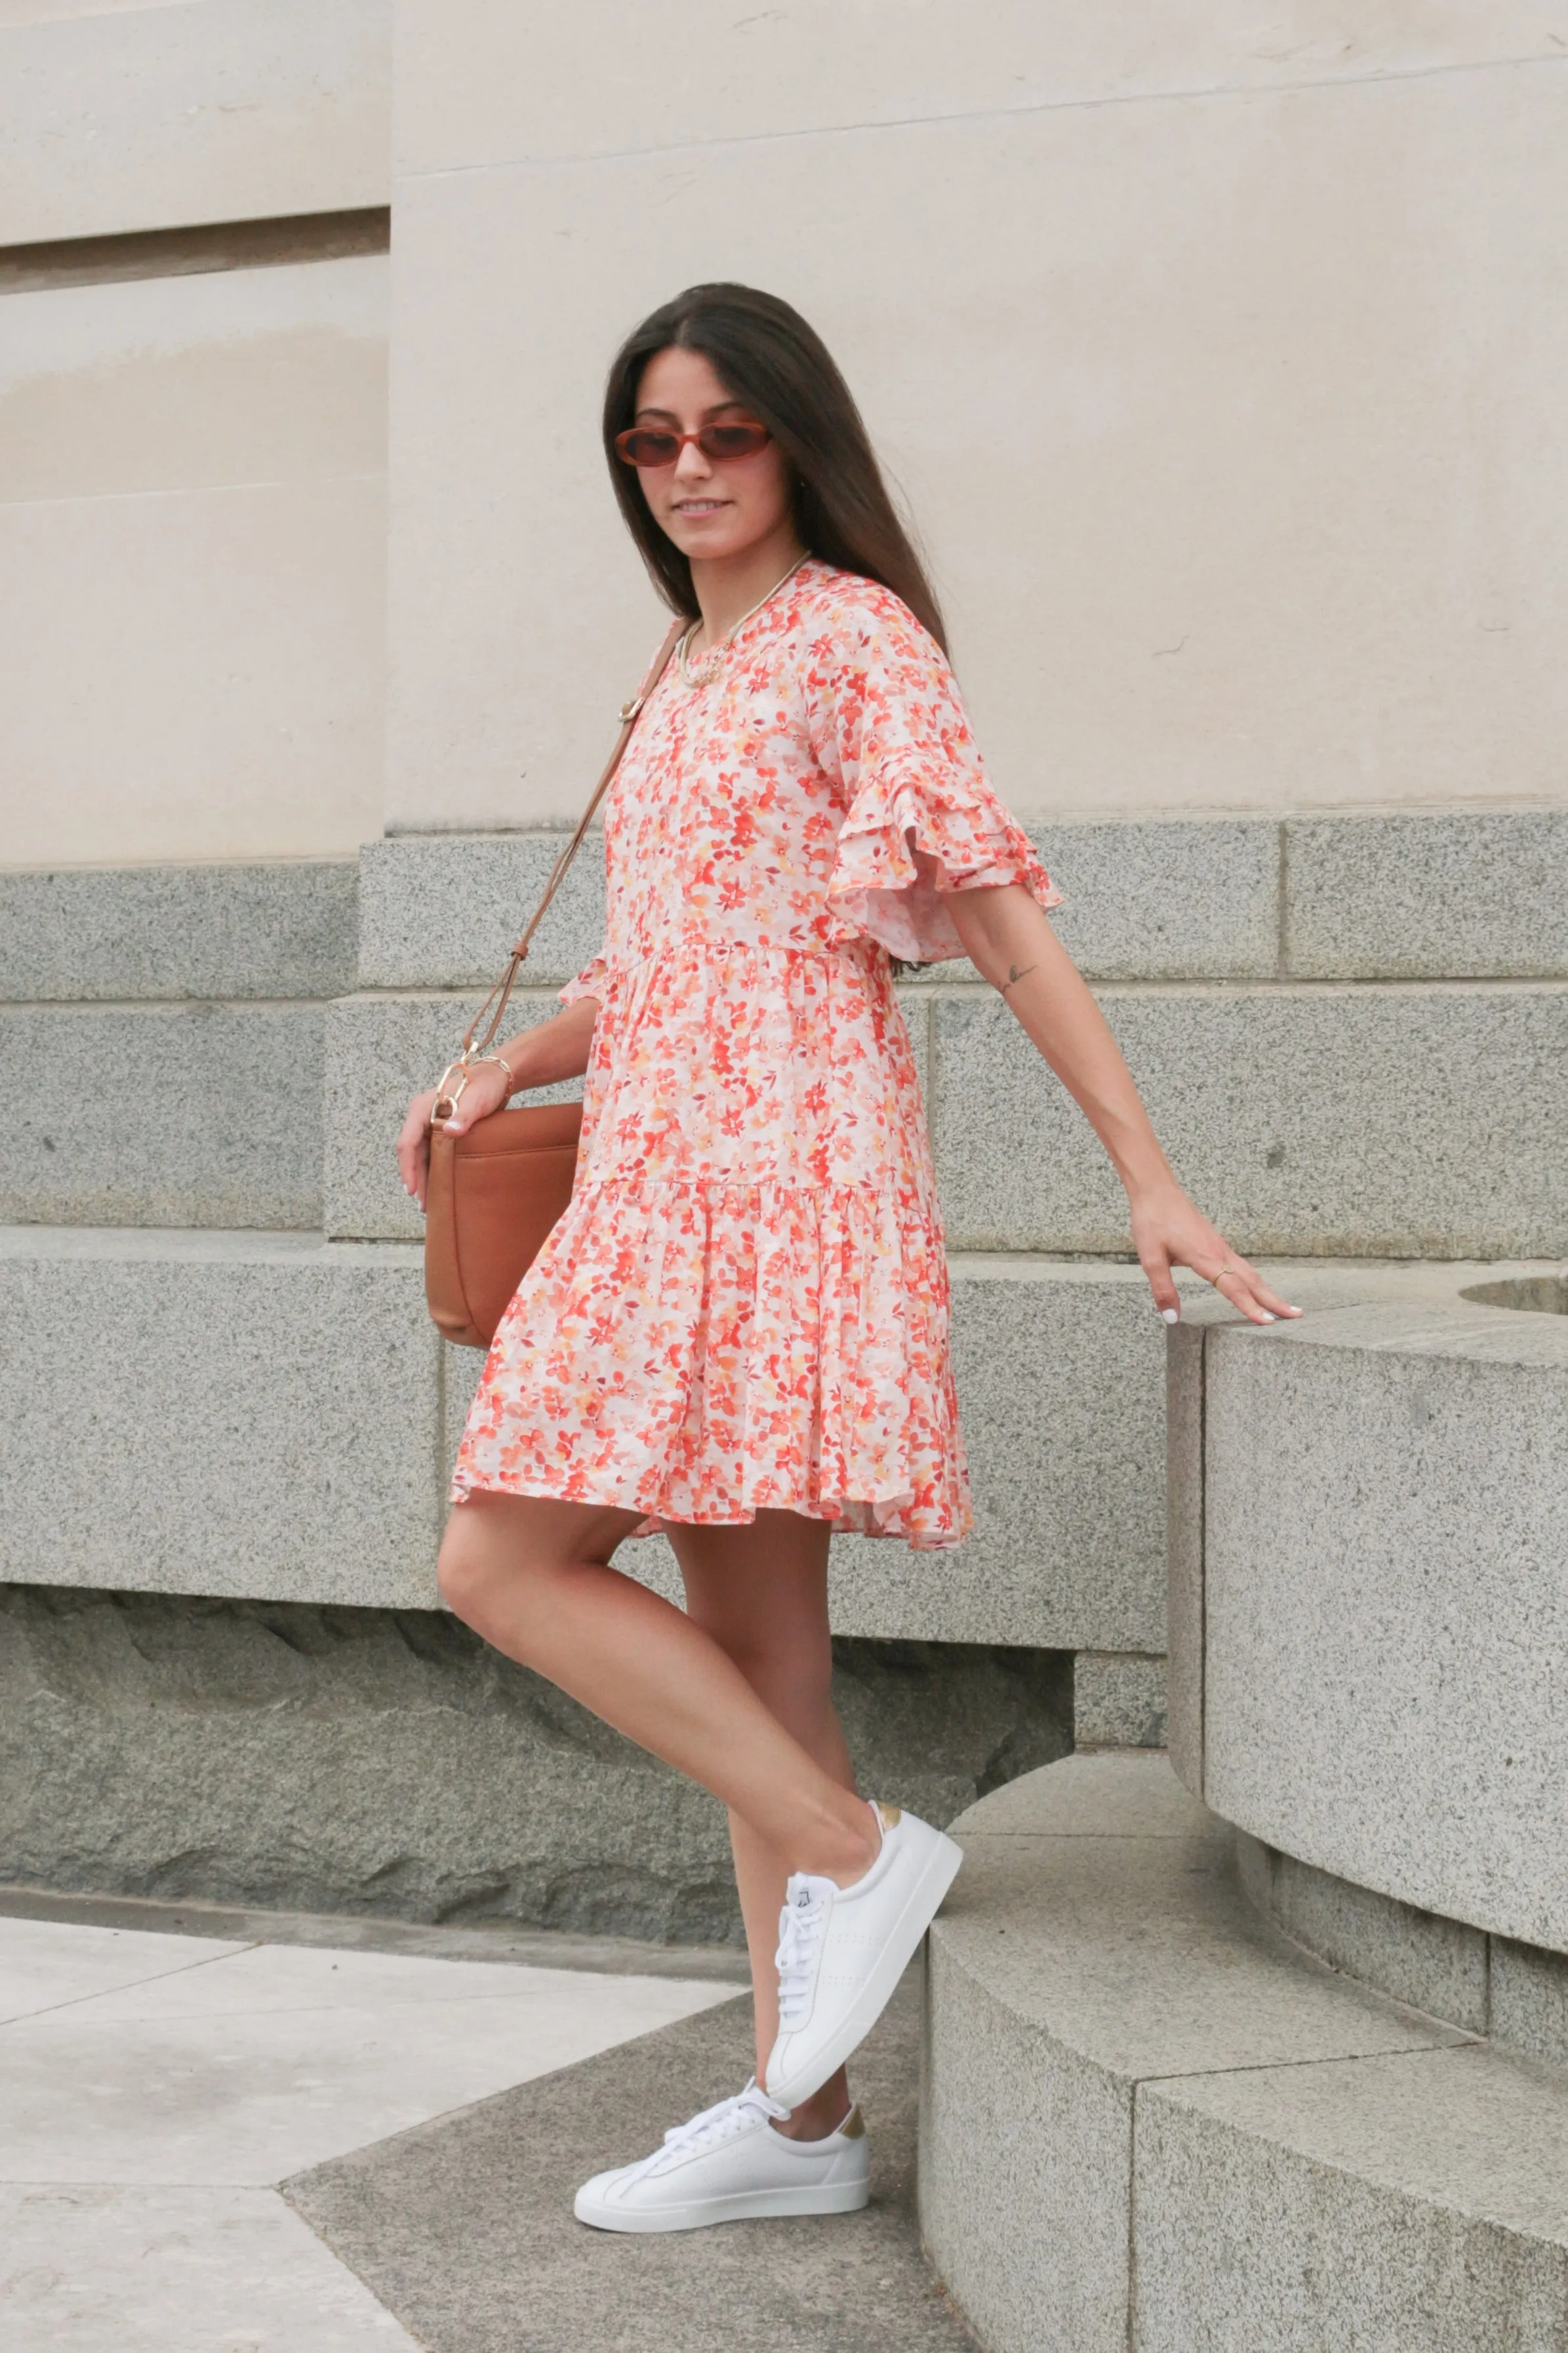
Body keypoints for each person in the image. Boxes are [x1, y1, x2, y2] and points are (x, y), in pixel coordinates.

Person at [397, 281, 1298, 2234]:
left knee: (498, 1556)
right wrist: (510, 1066)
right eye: (655, 441)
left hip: (774, 1170)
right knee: (759, 1658)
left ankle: (857, 1848)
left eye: (728, 432)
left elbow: (998, 919)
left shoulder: (850, 637)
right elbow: (670, 953)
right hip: (660, 1146)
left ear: (798, 438)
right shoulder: (682, 659)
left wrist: (1146, 1174)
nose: (694, 468)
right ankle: (798, 2131)